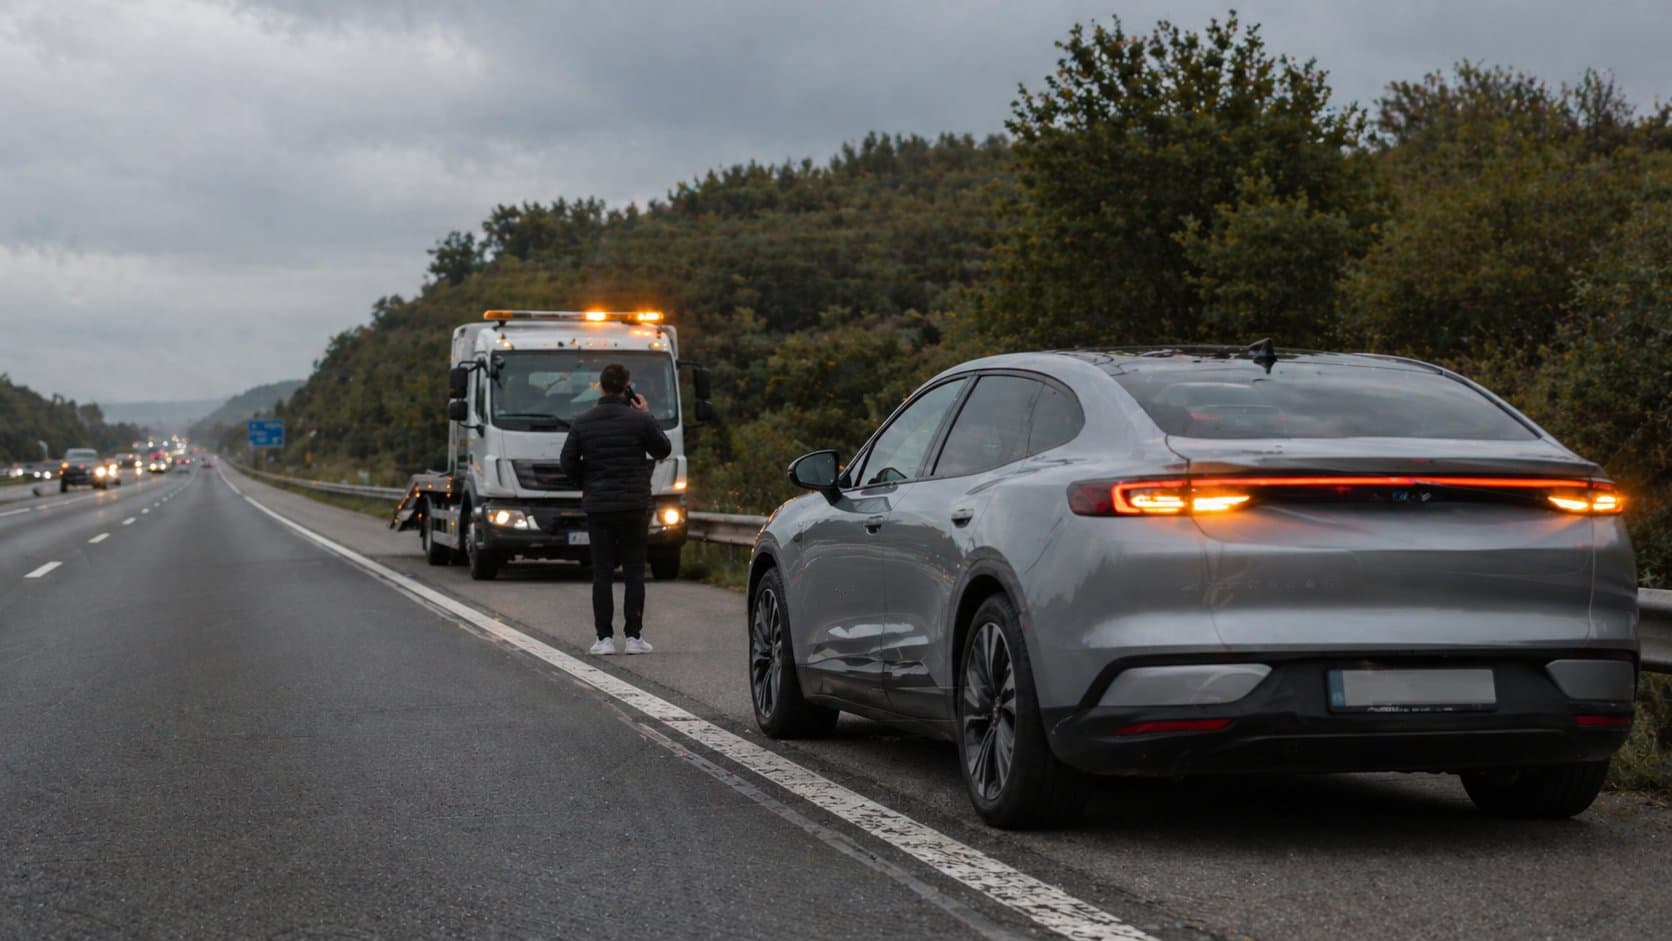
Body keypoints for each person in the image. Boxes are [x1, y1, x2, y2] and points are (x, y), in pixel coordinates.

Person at [559, 362, 673, 655]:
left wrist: (586, 481)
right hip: (634, 505)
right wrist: (646, 414)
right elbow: (662, 449)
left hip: (599, 506)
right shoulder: (639, 420)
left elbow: (567, 462)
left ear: (600, 385)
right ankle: (634, 638)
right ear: (627, 386)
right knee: (635, 571)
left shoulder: (583, 421)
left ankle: (604, 639)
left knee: (603, 573)